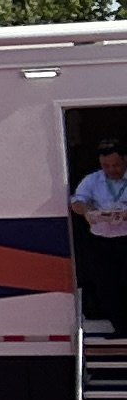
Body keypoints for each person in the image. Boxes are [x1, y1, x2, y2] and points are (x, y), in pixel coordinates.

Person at [75, 138, 127, 337]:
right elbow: (77, 202)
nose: (111, 170)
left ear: (124, 160)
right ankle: (121, 329)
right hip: (102, 242)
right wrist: (87, 211)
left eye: (116, 165)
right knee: (106, 287)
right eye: (106, 166)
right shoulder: (93, 180)